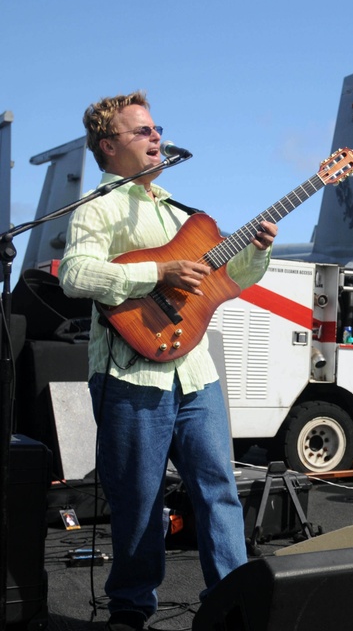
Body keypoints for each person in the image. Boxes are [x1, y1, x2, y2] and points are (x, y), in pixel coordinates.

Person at [59, 91, 278, 631]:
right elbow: (74, 276)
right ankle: (131, 611)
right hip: (130, 376)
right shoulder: (96, 207)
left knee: (219, 490)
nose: (157, 137)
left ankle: (233, 606)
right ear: (109, 147)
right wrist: (157, 274)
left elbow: (228, 282)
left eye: (157, 129)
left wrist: (259, 251)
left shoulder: (180, 210)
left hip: (196, 373)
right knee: (138, 500)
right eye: (143, 131)